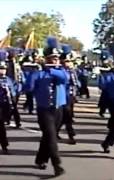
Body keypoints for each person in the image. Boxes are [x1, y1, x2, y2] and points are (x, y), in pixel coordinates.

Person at [29, 37, 66, 176]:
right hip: (44, 110)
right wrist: (30, 72)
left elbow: (63, 79)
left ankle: (40, 159)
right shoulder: (38, 73)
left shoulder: (61, 72)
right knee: (51, 136)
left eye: (56, 58)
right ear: (46, 59)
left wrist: (51, 69)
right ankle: (57, 165)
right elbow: (29, 88)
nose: (54, 61)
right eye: (51, 58)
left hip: (58, 108)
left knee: (48, 136)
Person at [57, 44, 78, 144]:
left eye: (69, 61)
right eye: (66, 61)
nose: (68, 63)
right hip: (61, 96)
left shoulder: (72, 71)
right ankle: (71, 135)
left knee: (66, 117)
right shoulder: (59, 71)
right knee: (66, 116)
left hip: (70, 96)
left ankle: (55, 131)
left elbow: (76, 83)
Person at [0, 50, 15, 154]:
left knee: (1, 125)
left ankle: (4, 146)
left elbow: (13, 91)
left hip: (4, 105)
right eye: (1, 69)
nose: (2, 71)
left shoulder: (8, 79)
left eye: (4, 69)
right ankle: (4, 145)